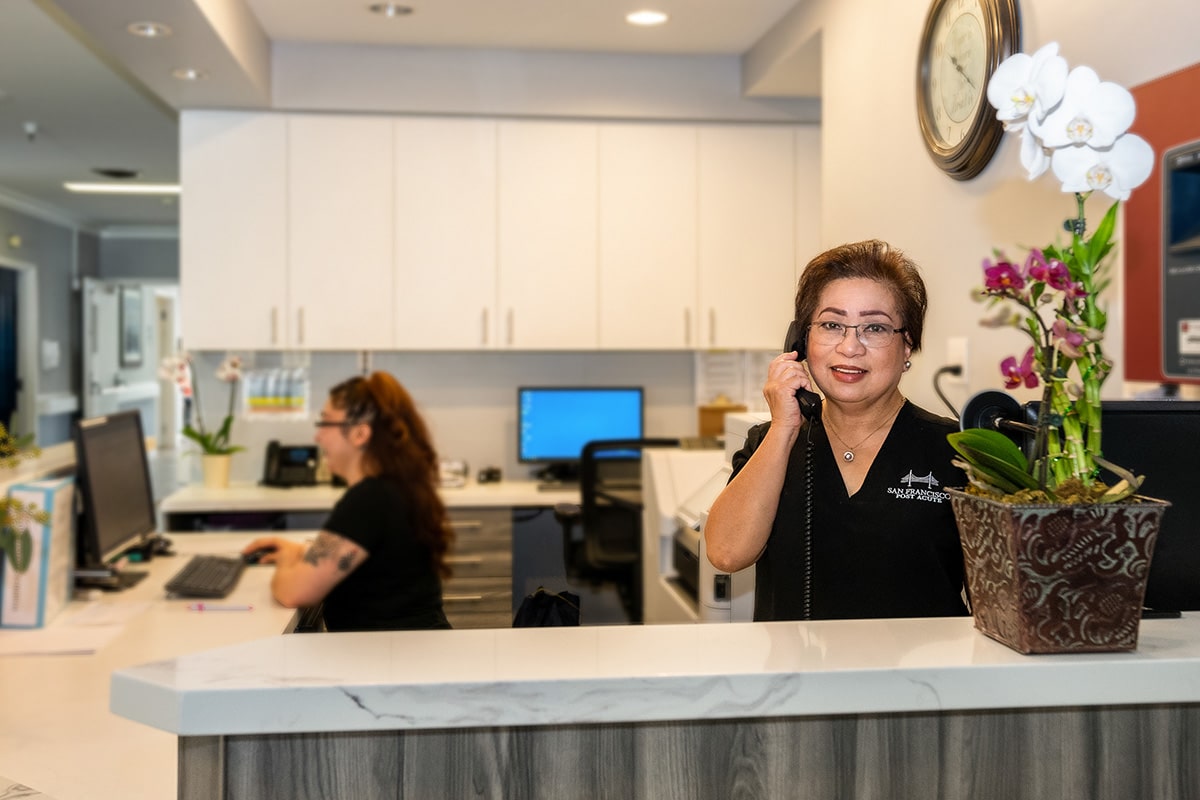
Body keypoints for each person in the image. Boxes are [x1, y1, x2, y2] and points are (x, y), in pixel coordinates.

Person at [704, 240, 968, 621]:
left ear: (907, 344)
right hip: (795, 677)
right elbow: (726, 554)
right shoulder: (770, 442)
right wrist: (784, 426)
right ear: (801, 341)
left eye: (874, 327)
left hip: (920, 679)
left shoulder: (956, 450)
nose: (849, 347)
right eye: (831, 325)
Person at [243, 372, 454, 631]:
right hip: (407, 649)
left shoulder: (370, 498)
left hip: (392, 660)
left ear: (359, 434)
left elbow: (294, 594)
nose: (317, 437)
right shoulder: (395, 488)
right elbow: (353, 555)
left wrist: (286, 561)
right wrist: (298, 550)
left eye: (325, 423)